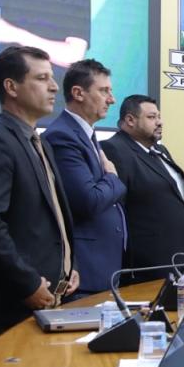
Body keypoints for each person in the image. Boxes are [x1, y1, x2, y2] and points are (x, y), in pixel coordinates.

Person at [0, 47, 79, 339]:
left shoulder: (41, 144)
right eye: (42, 78)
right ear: (11, 87)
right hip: (14, 307)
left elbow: (50, 216)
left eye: (52, 77)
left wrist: (69, 266)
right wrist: (27, 283)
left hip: (52, 301)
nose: (54, 87)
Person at [43, 59, 127, 296]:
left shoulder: (86, 133)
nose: (111, 99)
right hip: (86, 271)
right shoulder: (62, 136)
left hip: (105, 266)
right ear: (78, 93)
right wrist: (113, 178)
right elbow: (88, 200)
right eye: (104, 91)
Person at [101, 95, 184, 276]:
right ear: (130, 120)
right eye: (151, 117)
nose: (159, 122)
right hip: (149, 263)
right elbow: (117, 207)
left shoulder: (160, 150)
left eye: (159, 117)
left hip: (183, 256)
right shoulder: (114, 149)